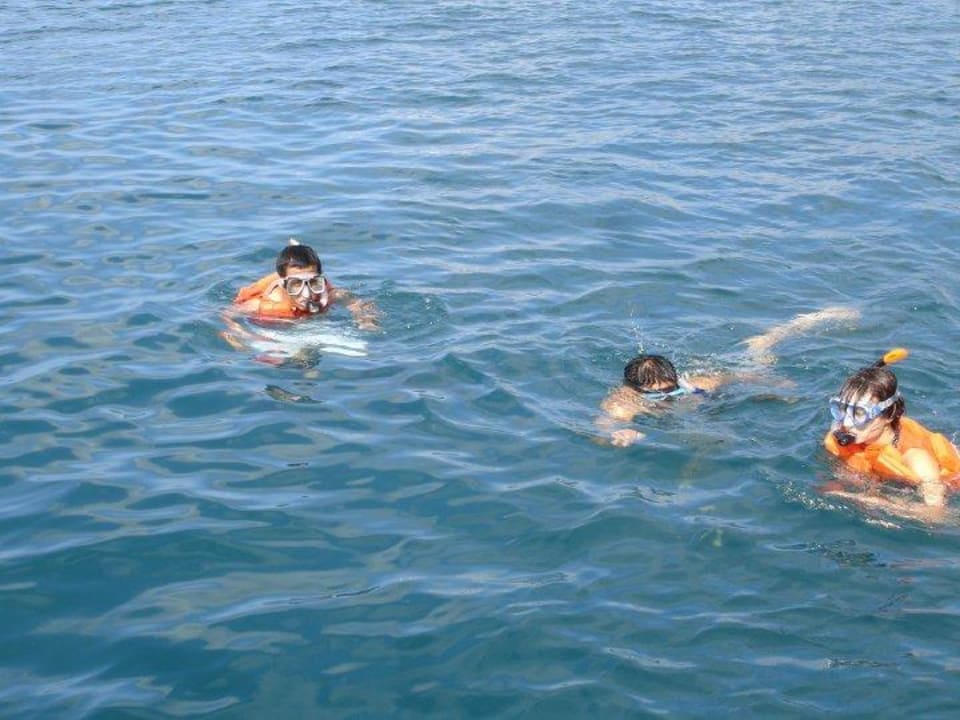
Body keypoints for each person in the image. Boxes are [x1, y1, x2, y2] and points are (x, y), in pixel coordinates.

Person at [599, 306, 859, 447]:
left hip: (721, 391)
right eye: (662, 394)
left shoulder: (697, 383)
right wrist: (620, 432)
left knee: (762, 355)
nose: (671, 397)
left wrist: (777, 384)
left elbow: (743, 376)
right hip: (709, 409)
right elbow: (602, 428)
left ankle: (786, 331)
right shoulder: (624, 402)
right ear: (636, 390)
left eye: (673, 390)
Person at [822, 348, 960, 518]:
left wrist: (873, 501)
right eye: (843, 409)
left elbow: (936, 515)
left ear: (889, 415)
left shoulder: (917, 458)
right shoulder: (846, 434)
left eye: (859, 413)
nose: (847, 422)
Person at [231, 239, 379, 328]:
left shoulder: (328, 294)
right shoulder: (261, 306)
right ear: (283, 285)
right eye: (296, 284)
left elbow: (359, 303)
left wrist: (366, 321)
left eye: (314, 282)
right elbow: (227, 315)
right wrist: (238, 334)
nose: (307, 293)